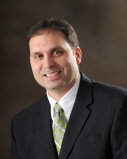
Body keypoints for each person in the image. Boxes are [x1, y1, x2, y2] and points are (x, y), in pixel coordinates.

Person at [11, 18, 127, 159]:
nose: (48, 64)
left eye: (56, 52)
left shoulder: (118, 104)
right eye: (38, 56)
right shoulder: (21, 125)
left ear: (77, 55)